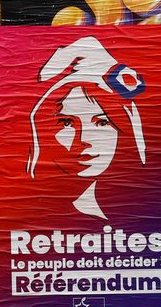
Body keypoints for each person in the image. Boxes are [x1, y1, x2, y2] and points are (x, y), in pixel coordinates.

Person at [26, 35, 146, 220]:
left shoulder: (140, 211)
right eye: (67, 123)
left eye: (102, 123)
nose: (83, 140)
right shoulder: (35, 213)